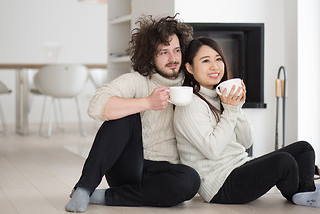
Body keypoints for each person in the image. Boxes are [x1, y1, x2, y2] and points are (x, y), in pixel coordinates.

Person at [65, 14, 200, 212]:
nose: (173, 59)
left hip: (164, 172)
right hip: (129, 167)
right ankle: (85, 188)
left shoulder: (189, 83)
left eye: (177, 50)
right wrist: (147, 102)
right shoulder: (138, 81)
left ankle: (102, 196)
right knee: (123, 114)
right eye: (164, 52)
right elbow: (95, 106)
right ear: (150, 56)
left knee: (190, 180)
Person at [173, 37, 320, 207]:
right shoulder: (190, 104)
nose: (215, 66)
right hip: (220, 186)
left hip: (240, 167)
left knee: (304, 148)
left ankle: (306, 192)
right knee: (284, 162)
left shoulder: (221, 96)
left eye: (218, 59)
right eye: (206, 61)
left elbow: (246, 141)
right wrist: (231, 110)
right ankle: (305, 192)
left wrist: (237, 107)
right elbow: (212, 150)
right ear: (190, 67)